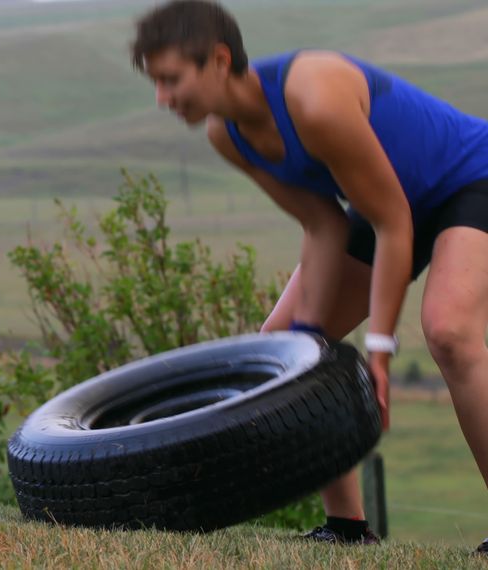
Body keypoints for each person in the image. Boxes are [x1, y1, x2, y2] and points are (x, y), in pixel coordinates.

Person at [131, 0, 488, 549]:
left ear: (220, 60)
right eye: (155, 83)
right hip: (382, 205)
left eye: (171, 79)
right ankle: (347, 529)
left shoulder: (314, 96)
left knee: (449, 331)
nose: (163, 99)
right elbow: (323, 226)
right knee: (284, 348)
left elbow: (394, 224)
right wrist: (309, 333)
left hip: (469, 179)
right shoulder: (228, 135)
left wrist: (379, 349)